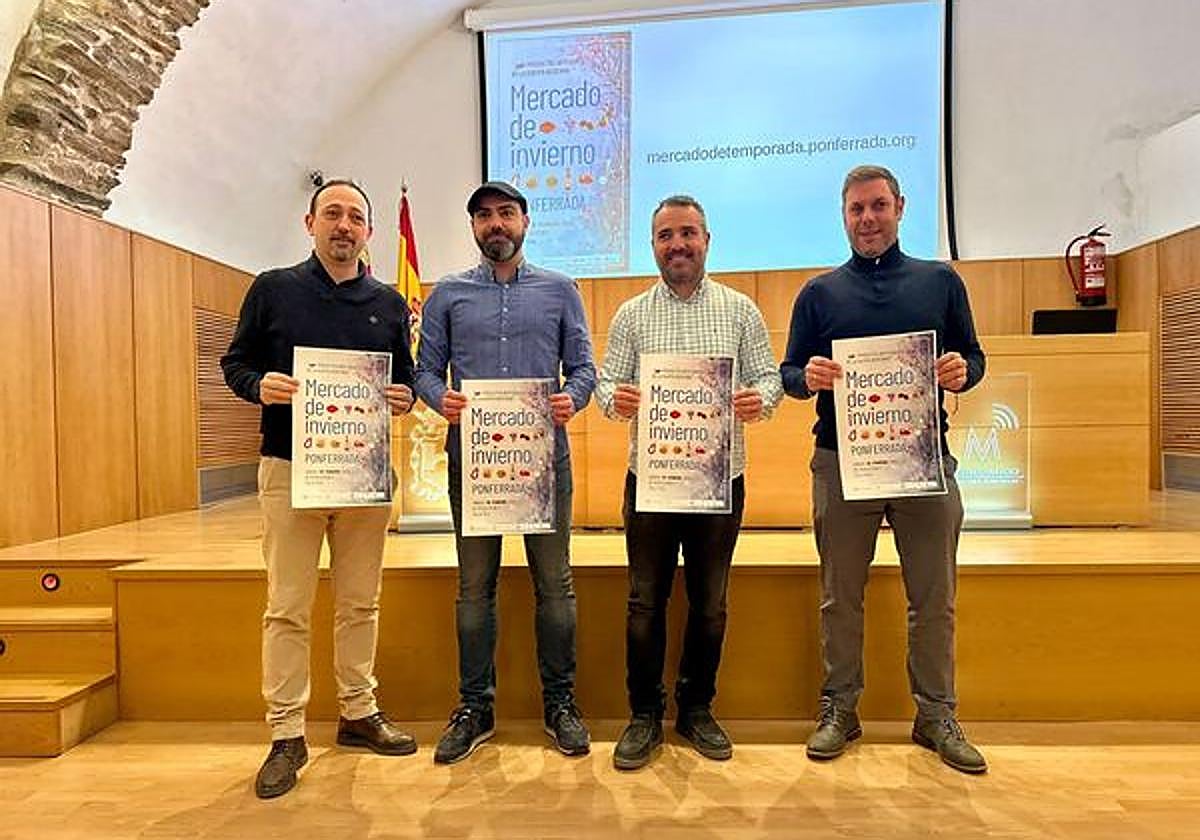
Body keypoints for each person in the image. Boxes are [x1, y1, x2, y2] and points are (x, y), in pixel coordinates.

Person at [780, 164, 988, 774]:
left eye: (877, 207)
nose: (867, 219)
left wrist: (961, 372)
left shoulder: (940, 282)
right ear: (843, 217)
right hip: (841, 465)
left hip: (924, 462)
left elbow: (973, 357)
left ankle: (936, 715)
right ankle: (839, 709)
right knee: (839, 598)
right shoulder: (818, 293)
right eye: (856, 210)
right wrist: (807, 378)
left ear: (900, 207)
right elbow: (790, 373)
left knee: (935, 597)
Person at [222, 179, 418, 799]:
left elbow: (407, 381)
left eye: (356, 217)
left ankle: (358, 712)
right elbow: (235, 363)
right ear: (310, 222)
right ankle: (286, 733)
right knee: (287, 606)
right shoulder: (273, 288)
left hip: (363, 474)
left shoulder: (388, 303)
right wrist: (260, 386)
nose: (344, 225)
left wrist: (404, 395)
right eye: (332, 213)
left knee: (361, 602)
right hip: (288, 468)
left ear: (369, 232)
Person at [595, 195, 783, 770]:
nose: (677, 244)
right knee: (643, 603)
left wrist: (760, 401)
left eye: (687, 233)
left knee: (710, 604)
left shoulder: (740, 310)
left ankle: (697, 709)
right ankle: (643, 714)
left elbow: (769, 378)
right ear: (653, 245)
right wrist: (616, 399)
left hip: (719, 481)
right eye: (665, 236)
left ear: (707, 239)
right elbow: (606, 387)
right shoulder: (630, 315)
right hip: (650, 482)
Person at [415, 181, 596, 764]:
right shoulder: (446, 294)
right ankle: (475, 707)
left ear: (525, 221)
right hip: (476, 461)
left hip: (544, 461)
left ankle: (561, 704)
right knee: (474, 589)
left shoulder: (561, 290)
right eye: (485, 216)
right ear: (473, 227)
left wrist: (572, 397)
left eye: (506, 213)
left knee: (556, 586)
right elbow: (425, 372)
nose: (497, 224)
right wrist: (439, 398)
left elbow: (585, 370)